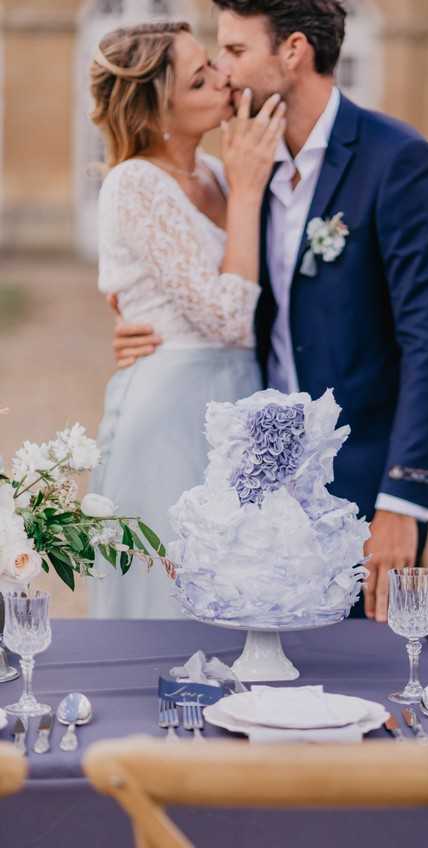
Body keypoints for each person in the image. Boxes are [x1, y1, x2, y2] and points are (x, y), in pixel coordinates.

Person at [110, 1, 428, 622]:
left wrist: (404, 496)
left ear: (292, 53)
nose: (224, 73)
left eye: (235, 52)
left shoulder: (397, 159)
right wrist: (144, 330)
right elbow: (212, 286)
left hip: (370, 475)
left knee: (372, 681)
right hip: (265, 489)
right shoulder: (245, 174)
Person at [88, 21, 285, 617]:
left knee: (241, 588)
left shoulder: (219, 175)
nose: (225, 78)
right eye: (201, 78)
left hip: (242, 400)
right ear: (155, 113)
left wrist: (240, 184)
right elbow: (227, 315)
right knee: (170, 596)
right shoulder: (135, 184)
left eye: (215, 63)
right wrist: (249, 193)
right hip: (169, 419)